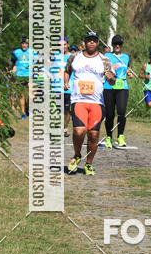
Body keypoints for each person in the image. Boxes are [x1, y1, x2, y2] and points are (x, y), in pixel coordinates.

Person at [64, 31, 116, 176]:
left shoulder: (104, 60)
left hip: (96, 103)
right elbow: (67, 70)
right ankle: (77, 155)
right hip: (79, 100)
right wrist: (66, 82)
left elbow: (113, 80)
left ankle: (88, 163)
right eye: (89, 40)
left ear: (97, 42)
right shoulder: (75, 57)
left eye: (94, 40)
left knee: (93, 135)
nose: (91, 42)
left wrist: (110, 78)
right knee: (79, 131)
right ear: (85, 42)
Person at [103, 34, 135, 148]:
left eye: (119, 44)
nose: (117, 46)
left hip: (122, 87)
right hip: (109, 86)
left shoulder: (126, 57)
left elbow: (126, 68)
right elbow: (103, 69)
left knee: (121, 111)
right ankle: (109, 137)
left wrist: (129, 73)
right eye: (115, 44)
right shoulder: (107, 56)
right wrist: (112, 68)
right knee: (109, 113)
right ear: (112, 45)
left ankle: (120, 136)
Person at [49, 37, 72, 137]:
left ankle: (65, 129)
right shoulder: (54, 55)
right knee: (57, 110)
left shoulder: (72, 57)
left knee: (67, 110)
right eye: (60, 45)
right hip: (57, 87)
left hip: (68, 88)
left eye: (64, 44)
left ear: (67, 45)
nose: (63, 47)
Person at [10, 37, 32, 119]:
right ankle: (23, 113)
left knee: (30, 95)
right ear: (21, 44)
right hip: (19, 76)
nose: (24, 45)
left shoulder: (32, 52)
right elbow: (13, 62)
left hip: (29, 76)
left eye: (25, 43)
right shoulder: (16, 52)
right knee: (21, 95)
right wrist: (13, 70)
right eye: (23, 43)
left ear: (28, 44)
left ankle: (28, 109)